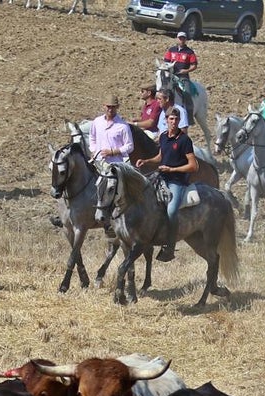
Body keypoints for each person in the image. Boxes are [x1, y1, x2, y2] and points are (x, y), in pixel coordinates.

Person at [136, 108, 198, 263]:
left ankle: (169, 247)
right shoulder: (163, 136)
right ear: (166, 120)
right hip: (161, 177)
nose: (174, 122)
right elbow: (161, 156)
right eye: (171, 119)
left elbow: (193, 166)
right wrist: (147, 161)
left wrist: (173, 169)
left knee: (171, 211)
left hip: (177, 181)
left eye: (176, 119)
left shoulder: (184, 140)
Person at [88, 95, 134, 164]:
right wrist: (94, 150)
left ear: (117, 107)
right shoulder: (97, 122)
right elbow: (92, 137)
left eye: (113, 107)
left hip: (115, 163)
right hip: (98, 161)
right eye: (108, 106)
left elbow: (129, 146)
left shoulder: (123, 126)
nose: (110, 109)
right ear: (104, 106)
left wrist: (113, 152)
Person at [164, 32, 198, 116]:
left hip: (183, 77)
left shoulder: (189, 52)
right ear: (177, 38)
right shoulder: (171, 50)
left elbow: (194, 65)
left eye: (183, 38)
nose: (181, 40)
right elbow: (166, 62)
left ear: (186, 39)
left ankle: (189, 117)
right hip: (171, 76)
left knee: (187, 93)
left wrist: (185, 71)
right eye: (180, 38)